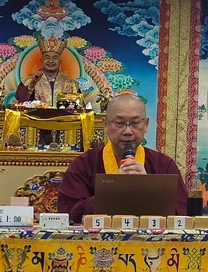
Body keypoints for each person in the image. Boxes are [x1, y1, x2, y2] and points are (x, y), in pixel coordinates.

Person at [57, 92, 187, 218]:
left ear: (146, 124)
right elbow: (69, 212)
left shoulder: (164, 165)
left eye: (135, 123)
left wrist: (148, 188)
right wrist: (113, 190)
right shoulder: (84, 165)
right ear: (105, 125)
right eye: (119, 123)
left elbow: (183, 213)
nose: (128, 131)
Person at [14, 34, 82, 106]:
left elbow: (80, 108)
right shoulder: (27, 82)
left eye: (55, 58)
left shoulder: (72, 84)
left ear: (60, 62)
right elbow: (19, 104)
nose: (50, 61)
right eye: (47, 57)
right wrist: (32, 84)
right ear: (41, 61)